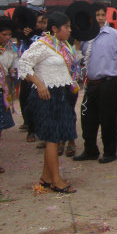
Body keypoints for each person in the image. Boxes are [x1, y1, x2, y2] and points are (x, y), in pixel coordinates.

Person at [18, 12, 81, 193]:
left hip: (60, 94)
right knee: (52, 138)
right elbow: (24, 63)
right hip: (47, 96)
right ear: (54, 29)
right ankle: (56, 180)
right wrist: (39, 84)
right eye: (66, 27)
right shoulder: (42, 45)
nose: (69, 30)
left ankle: (46, 177)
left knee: (56, 136)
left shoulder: (63, 46)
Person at [74, 3, 117, 164]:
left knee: (108, 119)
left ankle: (110, 152)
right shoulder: (85, 36)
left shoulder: (114, 35)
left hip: (108, 83)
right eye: (96, 15)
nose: (99, 18)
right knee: (87, 118)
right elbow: (80, 58)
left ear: (105, 16)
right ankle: (90, 150)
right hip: (91, 84)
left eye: (101, 15)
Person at [19, 13, 48, 143]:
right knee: (27, 101)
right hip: (29, 75)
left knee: (44, 103)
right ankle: (31, 129)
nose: (41, 25)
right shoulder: (28, 37)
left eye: (44, 22)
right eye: (39, 22)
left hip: (45, 75)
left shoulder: (50, 37)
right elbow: (22, 52)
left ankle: (43, 131)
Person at [0, 17, 18, 174]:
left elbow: (13, 68)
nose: (7, 37)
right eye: (4, 34)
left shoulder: (11, 50)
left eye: (9, 34)